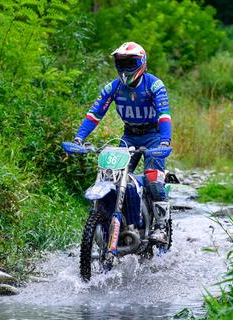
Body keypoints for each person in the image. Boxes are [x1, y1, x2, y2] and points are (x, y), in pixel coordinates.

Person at [74, 41, 172, 244]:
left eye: (131, 62)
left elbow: (164, 115)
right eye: (121, 63)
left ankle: (161, 227)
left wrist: (164, 142)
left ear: (141, 62)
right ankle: (118, 221)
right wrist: (79, 138)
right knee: (111, 176)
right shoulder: (113, 87)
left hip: (153, 137)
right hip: (128, 136)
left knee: (153, 179)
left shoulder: (154, 85)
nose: (126, 67)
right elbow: (95, 114)